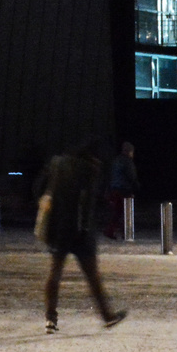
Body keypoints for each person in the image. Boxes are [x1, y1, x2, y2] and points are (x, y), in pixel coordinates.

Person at [37, 141, 127, 333]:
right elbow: (87, 204)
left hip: (59, 229)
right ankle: (107, 316)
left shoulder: (56, 165)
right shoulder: (89, 170)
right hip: (80, 232)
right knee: (93, 276)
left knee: (54, 274)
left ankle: (50, 319)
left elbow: (39, 188)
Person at [103, 141, 138, 239]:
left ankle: (114, 231)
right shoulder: (127, 162)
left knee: (117, 212)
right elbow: (131, 176)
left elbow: (110, 176)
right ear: (129, 151)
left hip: (114, 189)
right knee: (125, 213)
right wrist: (136, 187)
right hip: (124, 190)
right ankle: (124, 233)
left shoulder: (116, 160)